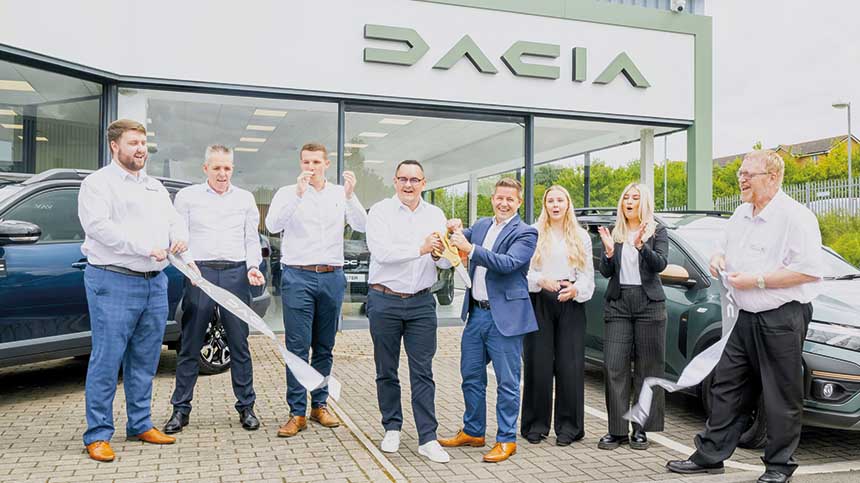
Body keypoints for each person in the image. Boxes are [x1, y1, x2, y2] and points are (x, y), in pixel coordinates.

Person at [667, 150, 822, 483]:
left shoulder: (796, 217)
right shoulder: (740, 214)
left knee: (780, 394)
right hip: (743, 316)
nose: (742, 179)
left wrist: (758, 281)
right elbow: (721, 248)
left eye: (749, 174)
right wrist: (717, 259)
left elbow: (808, 270)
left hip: (781, 318)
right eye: (741, 173)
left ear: (773, 178)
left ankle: (779, 466)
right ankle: (710, 456)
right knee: (727, 387)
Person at [78, 119, 192, 462]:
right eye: (133, 143)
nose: (140, 149)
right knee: (107, 358)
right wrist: (145, 248)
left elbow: (173, 220)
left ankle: (140, 424)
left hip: (154, 282)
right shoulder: (98, 184)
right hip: (113, 280)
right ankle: (98, 434)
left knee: (145, 358)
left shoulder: (154, 186)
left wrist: (179, 236)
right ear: (115, 146)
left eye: (143, 143)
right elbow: (99, 228)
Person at [265, 142, 366, 437]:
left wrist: (350, 196)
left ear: (326, 164)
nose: (311, 167)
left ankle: (319, 405)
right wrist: (298, 195)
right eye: (306, 162)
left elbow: (362, 224)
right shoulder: (288, 192)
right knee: (297, 347)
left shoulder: (339, 193)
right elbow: (272, 225)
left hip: (332, 276)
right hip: (298, 276)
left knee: (324, 346)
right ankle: (296, 412)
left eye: (316, 162)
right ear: (301, 163)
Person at [163, 145, 265, 435]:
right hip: (200, 273)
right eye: (217, 168)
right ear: (205, 168)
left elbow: (251, 239)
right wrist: (188, 266)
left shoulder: (245, 198)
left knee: (239, 344)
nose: (222, 173)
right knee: (190, 343)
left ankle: (246, 407)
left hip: (236, 274)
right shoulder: (187, 197)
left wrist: (253, 266)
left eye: (227, 168)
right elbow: (178, 235)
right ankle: (180, 410)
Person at [438, 178, 538, 463]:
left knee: (507, 382)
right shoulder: (482, 225)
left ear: (519, 202)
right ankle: (473, 431)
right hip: (477, 314)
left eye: (510, 199)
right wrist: (453, 228)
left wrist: (470, 249)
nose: (504, 203)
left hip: (505, 317)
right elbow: (457, 238)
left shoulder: (526, 232)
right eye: (499, 198)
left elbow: (508, 264)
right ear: (493, 199)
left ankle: (506, 439)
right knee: (471, 375)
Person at [365, 160, 451, 463]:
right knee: (386, 369)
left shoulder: (435, 214)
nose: (408, 185)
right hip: (384, 300)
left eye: (414, 180)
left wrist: (440, 254)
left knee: (423, 372)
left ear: (424, 183)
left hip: (421, 303)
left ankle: (428, 437)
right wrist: (421, 248)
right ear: (395, 181)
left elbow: (444, 261)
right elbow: (382, 253)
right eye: (403, 179)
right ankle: (392, 427)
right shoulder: (380, 212)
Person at [596, 182, 668, 451]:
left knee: (648, 368)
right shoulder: (615, 231)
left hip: (649, 303)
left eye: (635, 197)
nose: (628, 201)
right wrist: (608, 253)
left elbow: (660, 264)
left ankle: (641, 429)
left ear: (643, 202)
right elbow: (606, 272)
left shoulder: (657, 230)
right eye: (626, 197)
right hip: (619, 302)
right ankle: (616, 430)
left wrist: (641, 246)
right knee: (614, 366)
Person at [521, 185, 594, 446]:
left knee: (569, 365)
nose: (555, 205)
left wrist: (575, 290)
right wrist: (541, 280)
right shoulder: (533, 232)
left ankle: (569, 427)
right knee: (538, 364)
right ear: (545, 205)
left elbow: (588, 276)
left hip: (570, 300)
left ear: (567, 204)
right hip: (540, 299)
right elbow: (524, 272)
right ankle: (535, 424)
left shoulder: (581, 236)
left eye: (560, 200)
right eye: (550, 200)